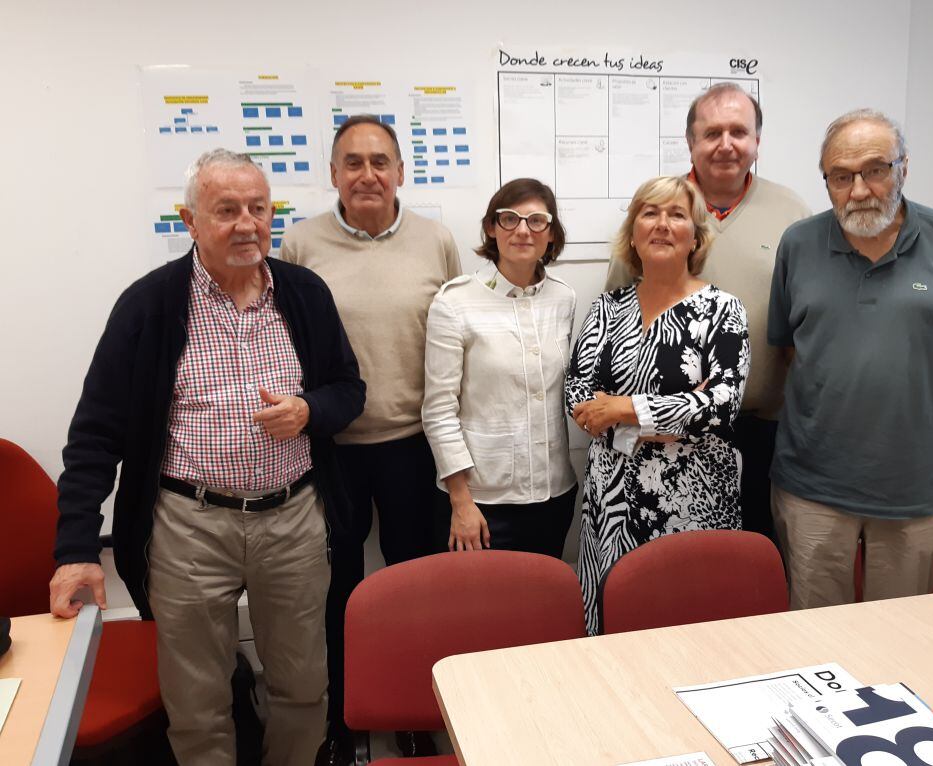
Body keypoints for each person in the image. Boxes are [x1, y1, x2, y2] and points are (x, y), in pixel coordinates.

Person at [49, 148, 365, 766]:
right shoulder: (149, 305)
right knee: (197, 703)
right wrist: (75, 551)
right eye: (226, 210)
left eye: (258, 208)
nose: (247, 224)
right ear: (189, 220)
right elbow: (94, 436)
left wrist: (308, 412)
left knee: (304, 687)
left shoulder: (302, 293)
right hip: (190, 527)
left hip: (293, 521)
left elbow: (349, 390)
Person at [279, 114, 460, 760]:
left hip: (415, 445)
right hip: (329, 449)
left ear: (401, 172)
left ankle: (413, 708)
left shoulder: (437, 240)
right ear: (332, 174)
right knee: (339, 590)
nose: (367, 174)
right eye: (352, 162)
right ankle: (343, 717)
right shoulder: (299, 245)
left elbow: (454, 343)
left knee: (414, 587)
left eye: (379, 161)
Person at [768, 109, 933, 609]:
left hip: (914, 488)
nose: (860, 190)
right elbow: (790, 350)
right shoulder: (798, 245)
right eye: (841, 176)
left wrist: (909, 397)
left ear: (904, 168)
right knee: (812, 638)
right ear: (826, 179)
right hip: (812, 485)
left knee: (899, 639)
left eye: (876, 169)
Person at [605, 82, 809, 543]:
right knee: (662, 566)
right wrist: (645, 409)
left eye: (740, 131)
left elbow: (809, 317)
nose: (726, 144)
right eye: (711, 132)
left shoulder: (791, 212)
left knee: (749, 559)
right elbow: (616, 314)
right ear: (690, 142)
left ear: (758, 140)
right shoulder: (657, 211)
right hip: (661, 433)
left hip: (765, 428)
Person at [567, 175, 749, 635]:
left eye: (676, 214)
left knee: (691, 629)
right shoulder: (606, 309)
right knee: (614, 629)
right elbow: (577, 390)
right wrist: (674, 413)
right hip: (612, 506)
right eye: (650, 213)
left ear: (696, 236)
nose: (662, 224)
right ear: (633, 233)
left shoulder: (723, 310)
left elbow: (722, 404)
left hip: (693, 500)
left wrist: (623, 410)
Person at [423, 178, 577, 556]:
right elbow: (439, 410)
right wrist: (461, 502)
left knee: (544, 602)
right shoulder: (455, 303)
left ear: (551, 234)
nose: (523, 230)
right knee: (486, 610)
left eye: (537, 220)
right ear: (492, 228)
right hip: (483, 500)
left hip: (554, 491)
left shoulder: (563, 298)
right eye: (509, 219)